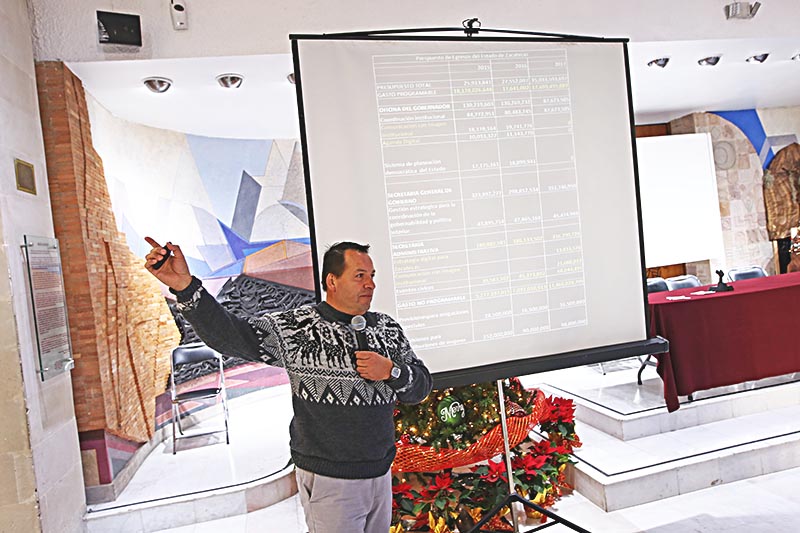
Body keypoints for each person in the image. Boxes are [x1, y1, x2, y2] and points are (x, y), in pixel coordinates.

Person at [144, 238, 432, 533]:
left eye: (372, 276)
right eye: (359, 276)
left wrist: (391, 371)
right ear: (332, 281)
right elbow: (230, 335)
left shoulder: (386, 328)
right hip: (330, 479)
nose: (369, 284)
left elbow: (420, 386)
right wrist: (186, 287)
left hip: (380, 473)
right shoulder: (299, 329)